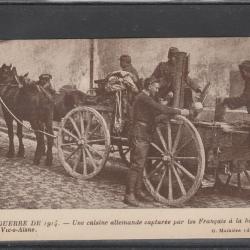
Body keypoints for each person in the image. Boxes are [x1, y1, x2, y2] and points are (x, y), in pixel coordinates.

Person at [123, 78, 190, 207]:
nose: (157, 90)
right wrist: (179, 111)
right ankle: (129, 195)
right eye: (156, 87)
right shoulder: (143, 98)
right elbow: (159, 108)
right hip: (140, 133)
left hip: (144, 133)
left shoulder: (147, 98)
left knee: (141, 164)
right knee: (137, 164)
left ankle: (137, 191)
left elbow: (156, 111)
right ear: (149, 86)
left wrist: (167, 111)